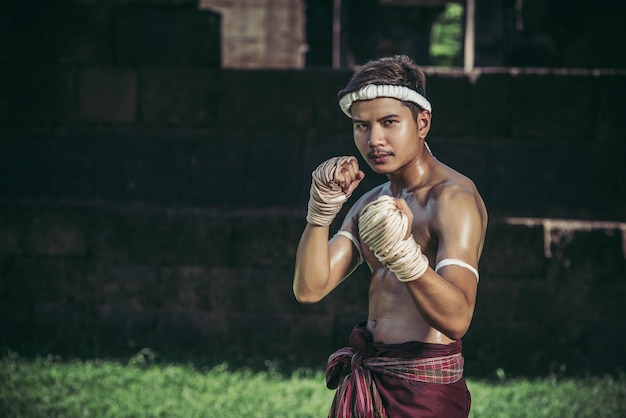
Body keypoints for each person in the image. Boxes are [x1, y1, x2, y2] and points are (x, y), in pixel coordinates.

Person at [293, 55, 487, 417]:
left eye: (389, 122)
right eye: (361, 126)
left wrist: (403, 254)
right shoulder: (372, 201)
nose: (374, 139)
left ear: (422, 122)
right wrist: (320, 212)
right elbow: (310, 288)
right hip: (373, 376)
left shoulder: (452, 199)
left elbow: (458, 319)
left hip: (424, 387)